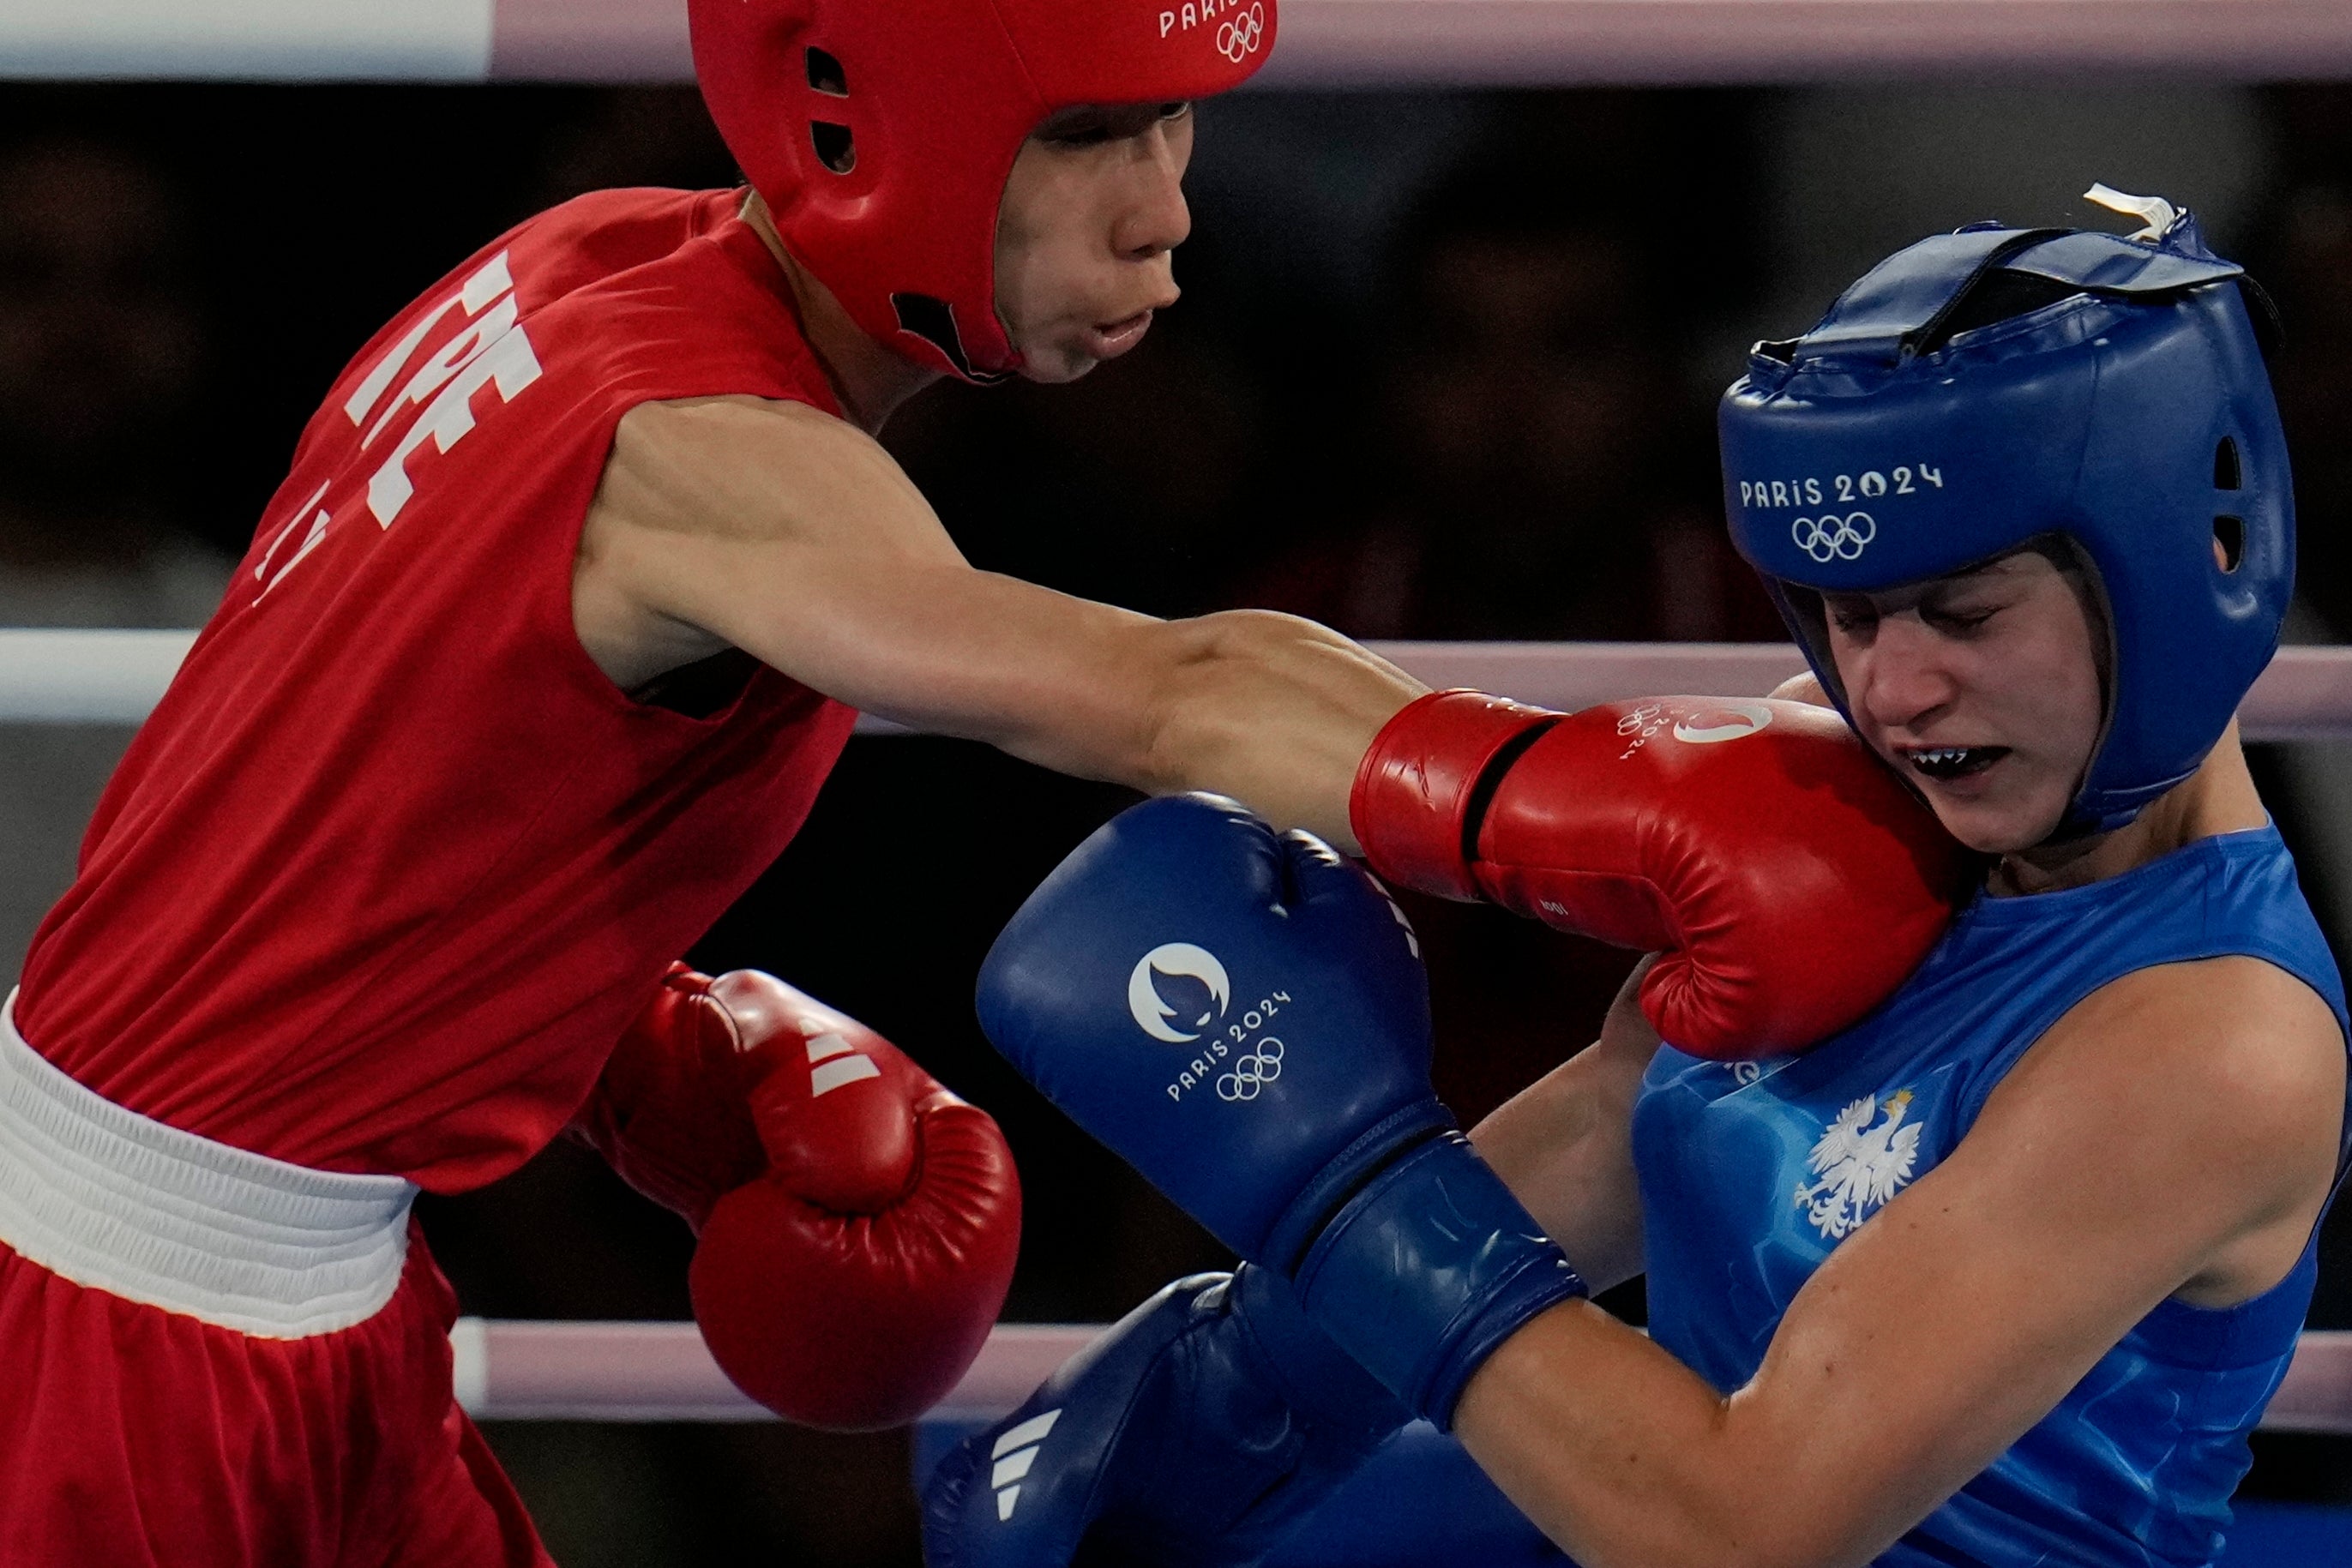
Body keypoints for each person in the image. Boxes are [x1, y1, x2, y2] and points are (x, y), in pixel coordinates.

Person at [0, 4, 1966, 1565]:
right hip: (127, 1348)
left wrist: (634, 1038)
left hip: (304, 1305)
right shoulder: (714, 453)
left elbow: (356, 765)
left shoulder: (585, 264)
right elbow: (1166, 694)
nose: (1166, 210)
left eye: (1178, 125)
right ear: (864, 123)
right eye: (1091, 136)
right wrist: (1593, 803)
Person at [929, 195, 2350, 1568]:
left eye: (1966, 615)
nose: (1896, 689)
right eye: (1850, 616)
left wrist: (1347, 1183)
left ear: (2189, 560)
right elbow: (1620, 1120)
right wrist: (1238, 1390)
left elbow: (1736, 1530)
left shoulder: (2214, 1037)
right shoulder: (1875, 801)